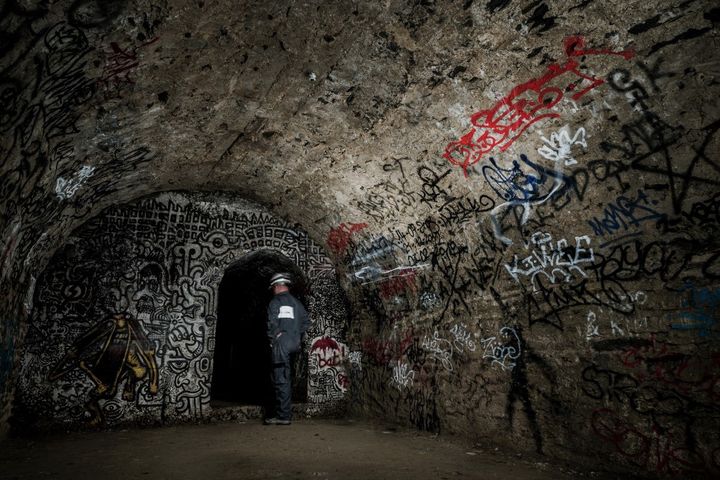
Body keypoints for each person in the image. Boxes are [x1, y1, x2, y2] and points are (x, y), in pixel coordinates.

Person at [264, 272, 309, 425]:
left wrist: (275, 337)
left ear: (277, 286)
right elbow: (305, 322)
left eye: (273, 287)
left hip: (281, 344)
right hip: (294, 343)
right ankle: (283, 413)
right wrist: (296, 336)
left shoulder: (275, 301)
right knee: (286, 375)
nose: (273, 290)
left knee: (280, 378)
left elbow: (271, 323)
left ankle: (283, 416)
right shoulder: (297, 303)